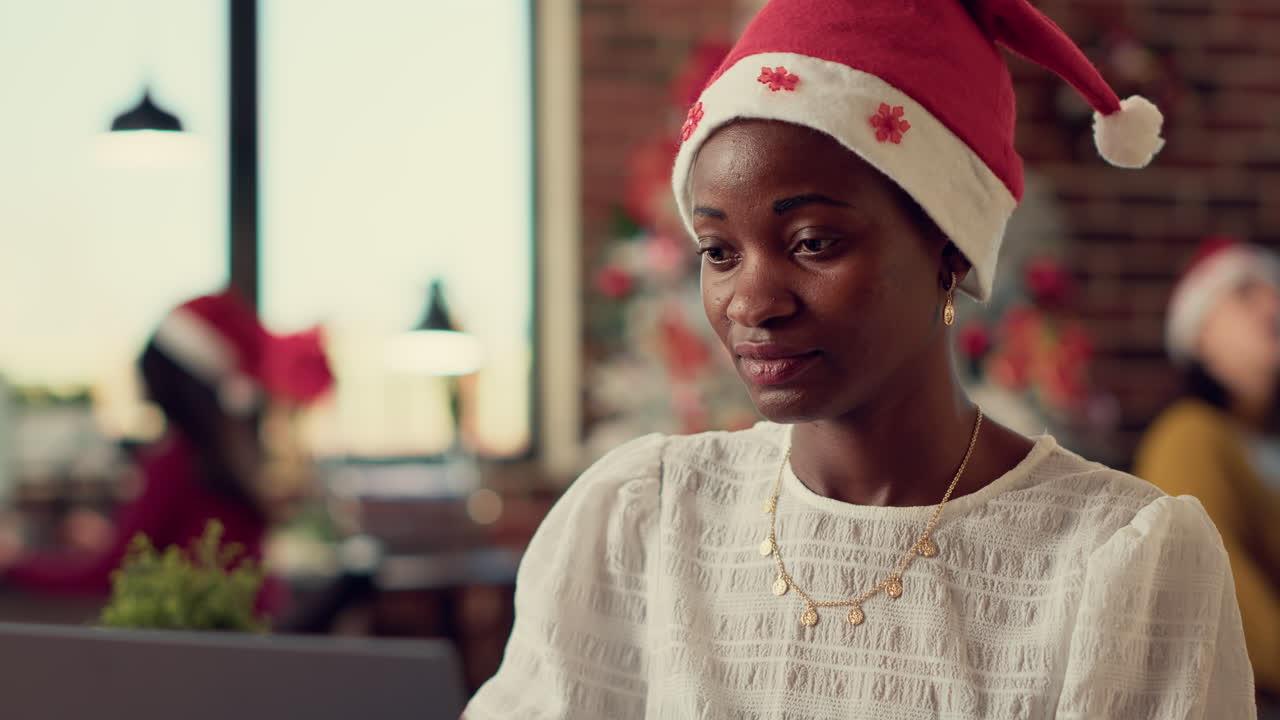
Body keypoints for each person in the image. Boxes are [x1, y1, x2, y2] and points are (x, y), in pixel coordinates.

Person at [467, 0, 1257, 717]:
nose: (750, 302)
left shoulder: (1119, 568)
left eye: (813, 243)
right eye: (718, 250)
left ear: (949, 247)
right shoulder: (641, 518)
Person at [1, 291, 333, 619]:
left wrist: (12, 563)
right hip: (243, 644)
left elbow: (109, 576)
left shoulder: (175, 460)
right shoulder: (222, 455)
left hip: (206, 653)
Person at [1134, 235, 1280, 709]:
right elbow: (1214, 591)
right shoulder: (1188, 435)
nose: (1271, 303)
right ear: (1199, 336)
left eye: (1273, 289)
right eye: (1244, 292)